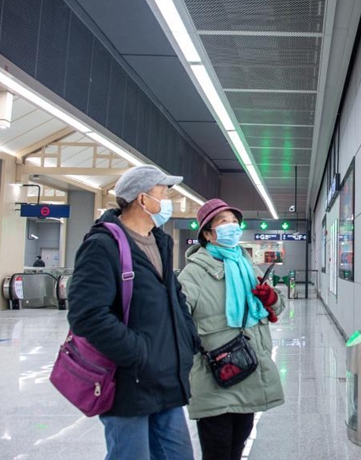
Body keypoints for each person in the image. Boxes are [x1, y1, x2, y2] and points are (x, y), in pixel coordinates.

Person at [67, 165, 199, 460]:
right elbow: (86, 315)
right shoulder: (103, 246)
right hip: (128, 383)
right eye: (163, 192)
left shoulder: (159, 242)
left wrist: (188, 339)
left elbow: (175, 298)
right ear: (142, 199)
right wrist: (139, 353)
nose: (168, 200)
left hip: (166, 381)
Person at [178, 199, 285, 459]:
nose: (232, 226)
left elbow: (276, 308)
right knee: (218, 450)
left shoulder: (247, 266)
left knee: (237, 447)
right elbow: (178, 322)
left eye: (235, 221)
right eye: (223, 222)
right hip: (215, 376)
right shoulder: (193, 274)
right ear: (207, 233)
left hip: (248, 370)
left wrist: (271, 299)